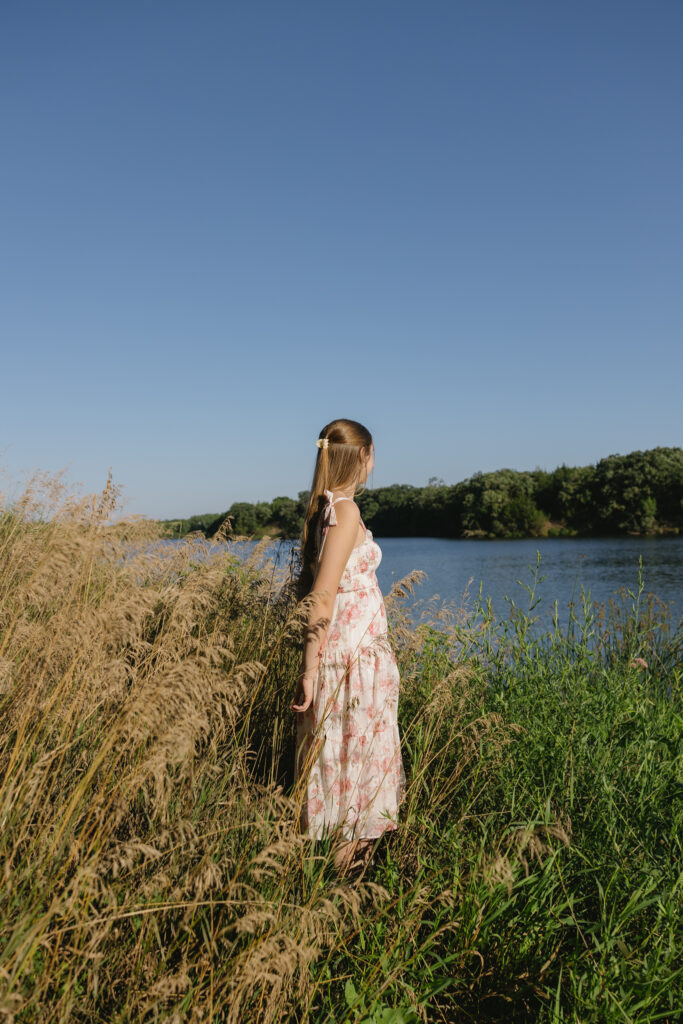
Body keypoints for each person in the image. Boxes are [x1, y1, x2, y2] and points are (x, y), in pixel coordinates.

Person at [291, 418, 406, 874]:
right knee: (356, 798)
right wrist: (310, 669)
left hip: (349, 661)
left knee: (345, 786)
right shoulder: (345, 512)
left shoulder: (328, 510)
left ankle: (331, 899)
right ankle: (343, 905)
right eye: (374, 455)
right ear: (363, 456)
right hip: (353, 667)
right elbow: (322, 595)